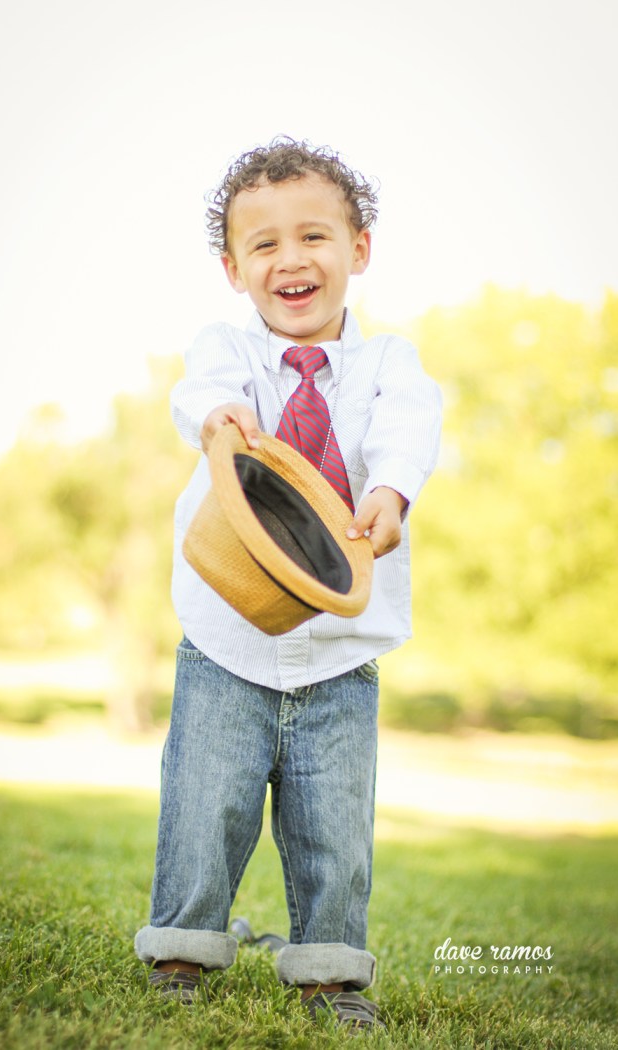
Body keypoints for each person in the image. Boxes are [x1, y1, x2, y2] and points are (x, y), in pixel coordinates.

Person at [135, 137, 442, 1032]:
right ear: (233, 268)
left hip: (341, 653)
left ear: (360, 249)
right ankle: (182, 954)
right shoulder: (226, 349)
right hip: (227, 640)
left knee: (334, 828)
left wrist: (389, 491)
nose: (291, 259)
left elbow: (408, 428)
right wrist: (220, 417)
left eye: (314, 235)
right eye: (263, 244)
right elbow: (199, 392)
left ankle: (330, 974)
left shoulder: (391, 362)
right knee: (204, 804)